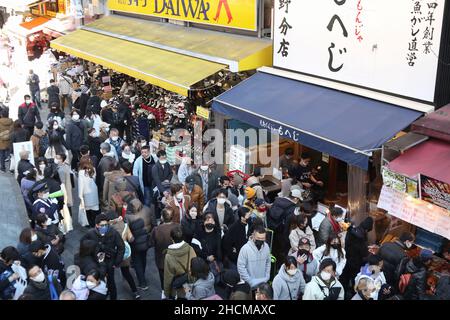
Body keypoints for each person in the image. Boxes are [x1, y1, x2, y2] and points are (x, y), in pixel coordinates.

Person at [81, 214, 125, 300]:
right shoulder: (90, 233)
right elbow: (83, 246)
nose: (105, 227)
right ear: (97, 225)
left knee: (111, 283)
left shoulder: (113, 232)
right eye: (102, 225)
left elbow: (121, 247)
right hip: (96, 263)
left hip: (109, 262)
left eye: (106, 225)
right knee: (97, 283)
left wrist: (116, 262)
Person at [105, 211, 140, 299]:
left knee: (110, 276)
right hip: (124, 253)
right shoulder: (125, 225)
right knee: (126, 273)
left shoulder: (108, 229)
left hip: (112, 255)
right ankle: (135, 292)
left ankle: (109, 292)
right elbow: (131, 239)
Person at [125, 198, 156, 290]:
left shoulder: (128, 216)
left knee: (137, 261)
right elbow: (153, 222)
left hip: (135, 243)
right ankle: (142, 273)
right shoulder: (147, 209)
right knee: (143, 258)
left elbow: (127, 231)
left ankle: (142, 282)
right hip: (146, 240)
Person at [268, 188, 302, 267]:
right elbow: (287, 225)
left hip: (272, 230)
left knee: (273, 251)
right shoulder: (292, 209)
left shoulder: (277, 201)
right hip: (282, 234)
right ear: (296, 198)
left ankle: (272, 266)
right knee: (281, 254)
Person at [340, 216, 374, 295]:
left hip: (347, 258)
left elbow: (349, 244)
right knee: (354, 279)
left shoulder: (352, 230)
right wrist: (368, 252)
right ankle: (352, 293)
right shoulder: (361, 238)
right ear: (367, 229)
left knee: (345, 277)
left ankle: (342, 292)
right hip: (356, 263)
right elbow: (363, 253)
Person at [164, 225, 197, 300]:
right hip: (191, 283)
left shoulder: (168, 256)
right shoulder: (190, 249)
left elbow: (168, 277)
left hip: (179, 288)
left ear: (172, 238)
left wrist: (167, 293)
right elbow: (195, 266)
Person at [237, 225, 271, 290]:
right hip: (248, 285)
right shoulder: (245, 249)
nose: (260, 240)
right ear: (253, 236)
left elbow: (268, 262)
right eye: (258, 238)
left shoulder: (266, 247)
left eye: (263, 238)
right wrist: (250, 281)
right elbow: (241, 267)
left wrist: (267, 276)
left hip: (262, 284)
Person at [191, 213, 222, 279]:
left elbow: (222, 247)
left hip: (218, 263)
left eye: (212, 221)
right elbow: (196, 250)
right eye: (208, 221)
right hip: (204, 265)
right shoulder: (198, 235)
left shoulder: (219, 233)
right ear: (204, 222)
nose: (210, 223)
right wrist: (206, 257)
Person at [78, 157, 99, 227]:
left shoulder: (81, 172)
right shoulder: (93, 169)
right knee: (95, 209)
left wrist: (80, 195)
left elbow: (81, 185)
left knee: (87, 210)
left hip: (85, 193)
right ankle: (96, 223)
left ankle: (90, 224)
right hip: (93, 192)